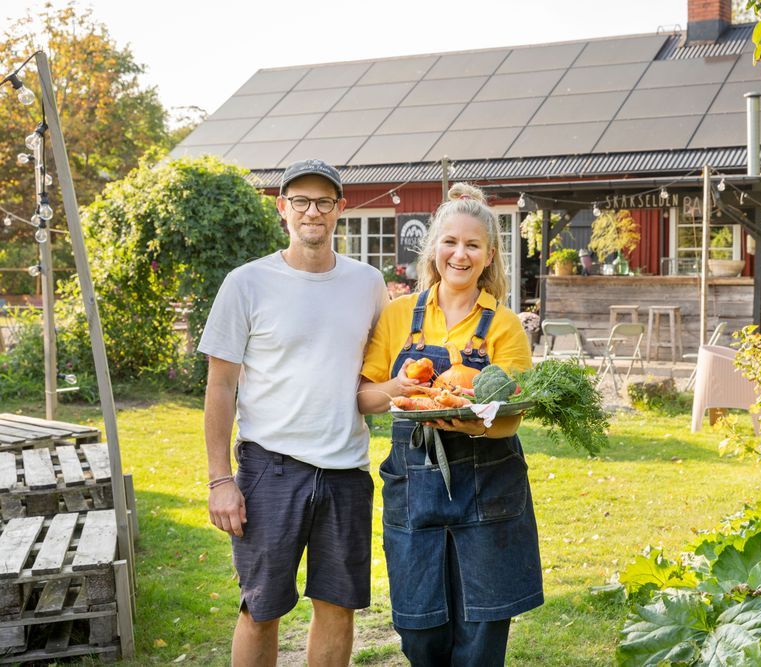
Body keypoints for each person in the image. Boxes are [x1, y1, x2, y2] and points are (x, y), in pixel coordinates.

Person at [199, 159, 388, 667]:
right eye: (300, 201)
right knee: (261, 609)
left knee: (338, 606)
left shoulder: (368, 283)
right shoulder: (246, 283)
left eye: (324, 202)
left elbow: (381, 370)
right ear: (282, 209)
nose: (313, 211)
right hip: (270, 469)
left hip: (347, 470)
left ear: (340, 210)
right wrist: (221, 480)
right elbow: (220, 387)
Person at [357, 183, 543, 666]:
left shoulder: (504, 325)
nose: (460, 254)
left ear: (489, 257)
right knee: (419, 629)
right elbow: (364, 397)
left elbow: (511, 417)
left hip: (489, 490)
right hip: (414, 491)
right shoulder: (399, 315)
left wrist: (464, 421)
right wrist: (401, 389)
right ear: (434, 248)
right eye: (451, 242)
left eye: (473, 245)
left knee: (481, 631)